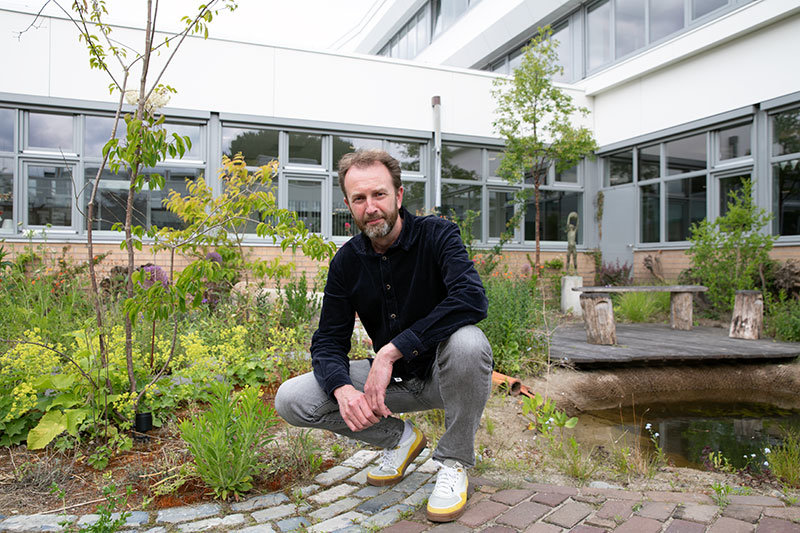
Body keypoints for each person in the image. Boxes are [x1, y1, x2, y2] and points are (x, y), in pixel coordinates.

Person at [275, 149, 493, 523]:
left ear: (399, 196)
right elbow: (328, 340)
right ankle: (401, 440)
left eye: (379, 194)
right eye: (359, 199)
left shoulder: (437, 235)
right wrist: (342, 389)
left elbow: (471, 298)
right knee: (292, 399)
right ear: (348, 204)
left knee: (469, 342)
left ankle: (454, 462)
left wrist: (392, 350)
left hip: (445, 376)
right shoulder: (346, 262)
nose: (370, 206)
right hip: (392, 385)